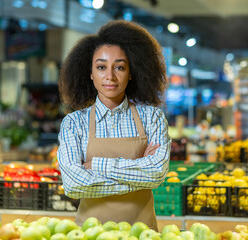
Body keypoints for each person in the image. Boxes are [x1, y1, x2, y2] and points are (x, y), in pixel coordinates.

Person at [57, 20, 171, 231]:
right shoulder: (74, 123)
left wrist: (97, 165)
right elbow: (73, 185)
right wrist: (137, 175)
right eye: (101, 67)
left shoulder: (152, 118)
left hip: (143, 234)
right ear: (90, 73)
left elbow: (156, 174)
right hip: (89, 234)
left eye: (119, 67)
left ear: (131, 72)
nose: (110, 76)